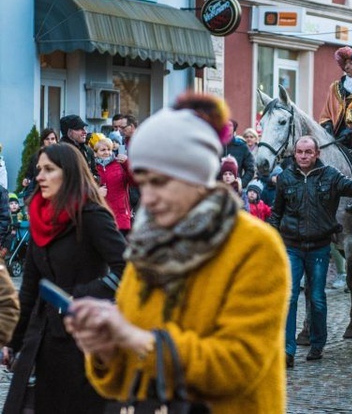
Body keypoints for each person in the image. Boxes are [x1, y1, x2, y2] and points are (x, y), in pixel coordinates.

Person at [64, 93, 291, 413]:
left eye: (161, 182)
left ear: (196, 176)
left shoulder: (254, 246)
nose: (150, 197)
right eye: (143, 182)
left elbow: (238, 366)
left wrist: (139, 341)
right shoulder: (146, 246)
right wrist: (105, 350)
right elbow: (119, 383)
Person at [2, 143, 126, 414]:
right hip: (43, 338)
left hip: (84, 340)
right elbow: (30, 287)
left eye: (48, 170)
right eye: (38, 170)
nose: (39, 177)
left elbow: (126, 268)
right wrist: (14, 339)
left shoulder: (91, 215)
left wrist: (79, 296)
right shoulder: (39, 216)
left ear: (68, 173)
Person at [269, 135, 352, 367]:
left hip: (319, 247)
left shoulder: (330, 176)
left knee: (316, 298)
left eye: (308, 152)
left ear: (317, 154)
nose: (303, 156)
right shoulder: (285, 178)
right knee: (290, 297)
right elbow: (277, 213)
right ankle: (288, 350)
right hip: (292, 247)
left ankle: (317, 344)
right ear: (295, 154)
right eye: (300, 152)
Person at [93, 137, 132, 236]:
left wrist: (127, 164)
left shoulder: (120, 164)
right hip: (102, 218)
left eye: (109, 149)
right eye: (103, 150)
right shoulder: (93, 169)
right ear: (95, 153)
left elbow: (134, 181)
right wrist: (96, 192)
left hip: (121, 217)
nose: (107, 152)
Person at [59, 115, 99, 182]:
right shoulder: (58, 152)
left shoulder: (88, 150)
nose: (85, 132)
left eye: (84, 128)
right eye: (79, 129)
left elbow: (96, 175)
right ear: (69, 132)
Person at [22, 128, 58, 192]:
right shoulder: (36, 157)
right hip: (38, 190)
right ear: (43, 141)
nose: (50, 141)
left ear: (56, 140)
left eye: (53, 139)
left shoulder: (61, 155)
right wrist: (26, 180)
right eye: (47, 139)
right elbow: (29, 174)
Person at [221, 119, 255, 188]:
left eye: (230, 125)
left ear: (234, 129)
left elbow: (250, 169)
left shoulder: (242, 146)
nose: (227, 127)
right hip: (218, 187)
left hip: (236, 190)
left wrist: (241, 184)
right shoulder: (217, 145)